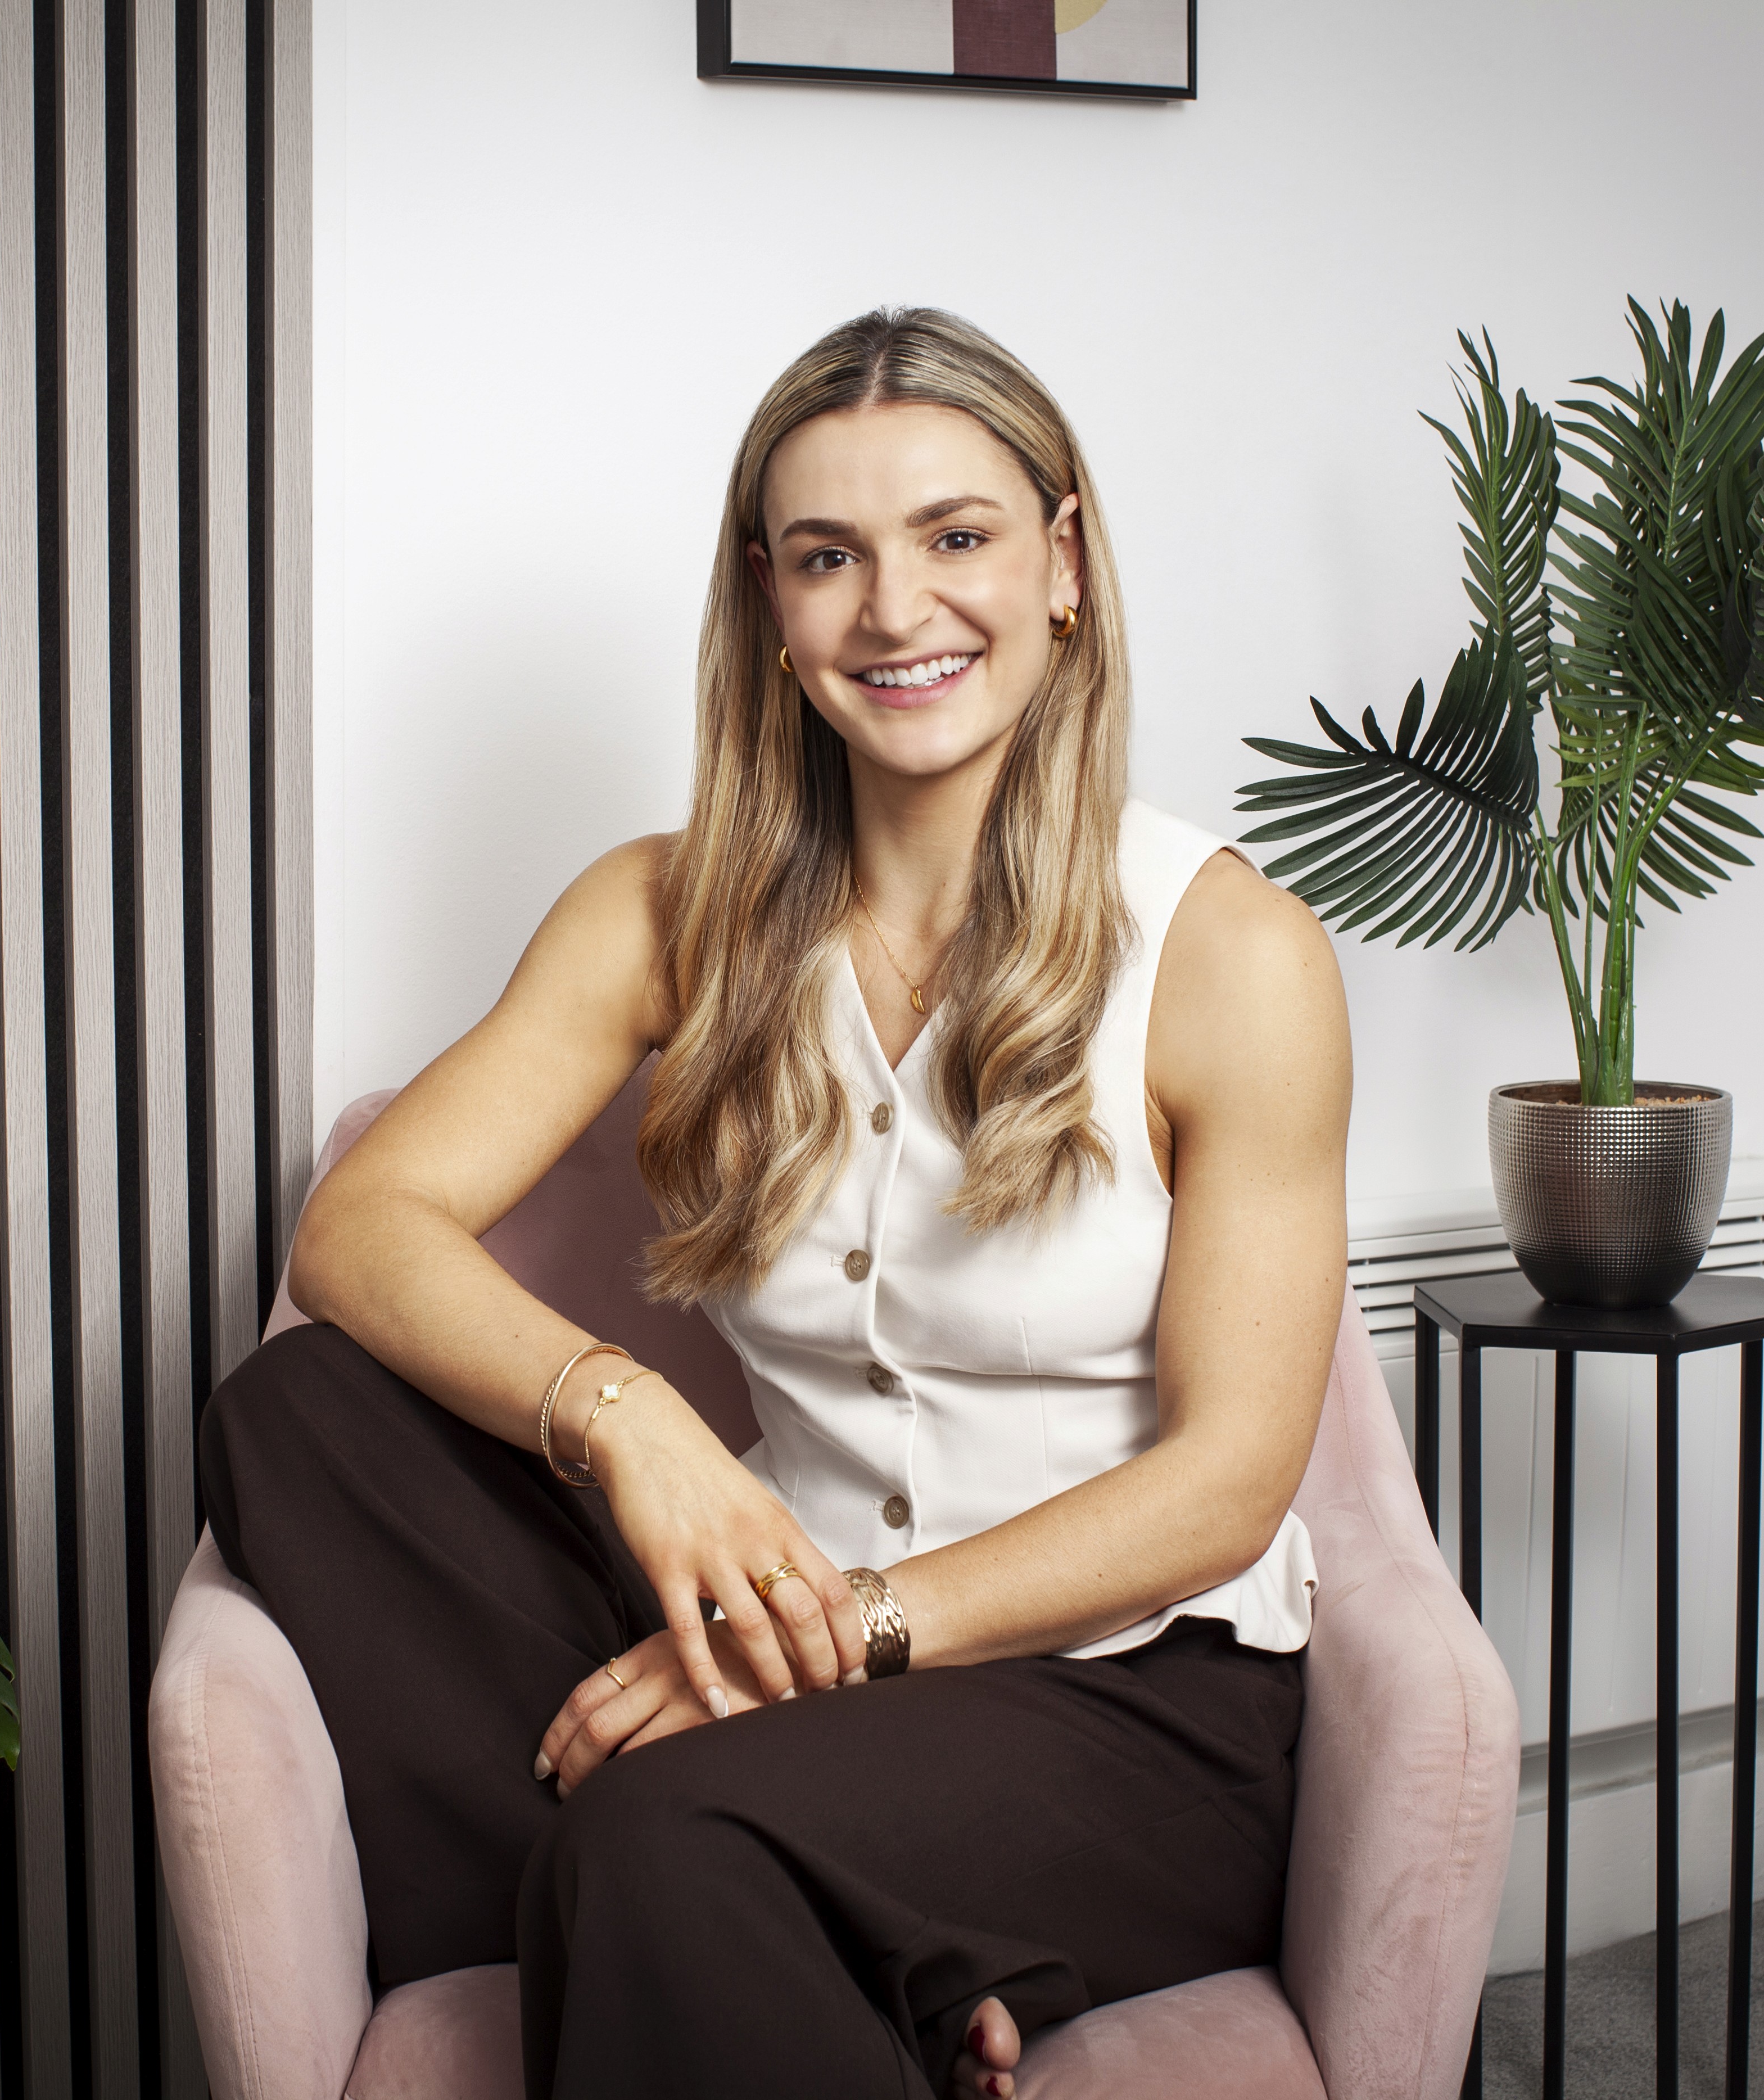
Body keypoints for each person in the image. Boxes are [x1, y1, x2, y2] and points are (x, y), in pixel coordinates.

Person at [198, 306, 1351, 2100]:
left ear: (1061, 565)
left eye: (957, 538)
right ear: (768, 602)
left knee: (656, 1840)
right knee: (300, 1414)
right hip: (765, 1630)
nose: (895, 613)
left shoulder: (1231, 954)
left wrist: (835, 1648)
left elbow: (1226, 1484)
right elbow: (356, 1229)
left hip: (1121, 1707)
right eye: (831, 558)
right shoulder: (661, 913)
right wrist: (627, 1418)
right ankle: (834, 1962)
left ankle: (711, 1898)